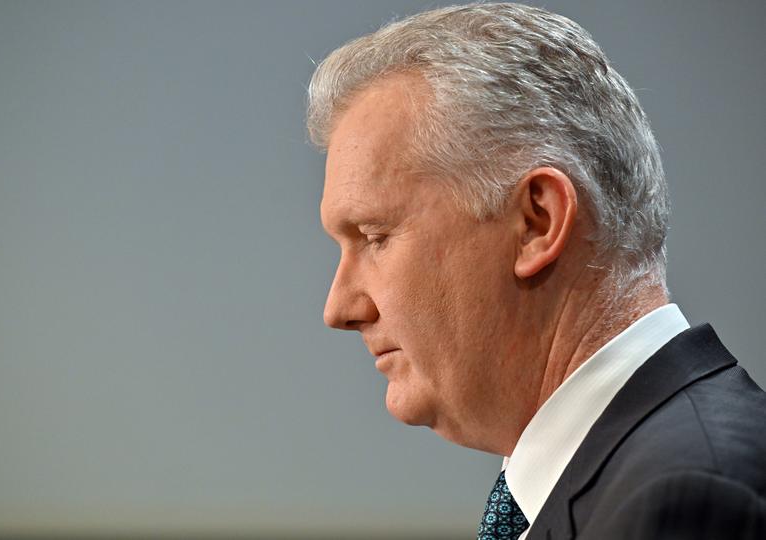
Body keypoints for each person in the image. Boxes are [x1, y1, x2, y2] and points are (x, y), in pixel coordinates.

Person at [307, 3, 766, 539]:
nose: (339, 308)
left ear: (536, 223)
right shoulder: (628, 474)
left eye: (375, 237)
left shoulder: (688, 500)